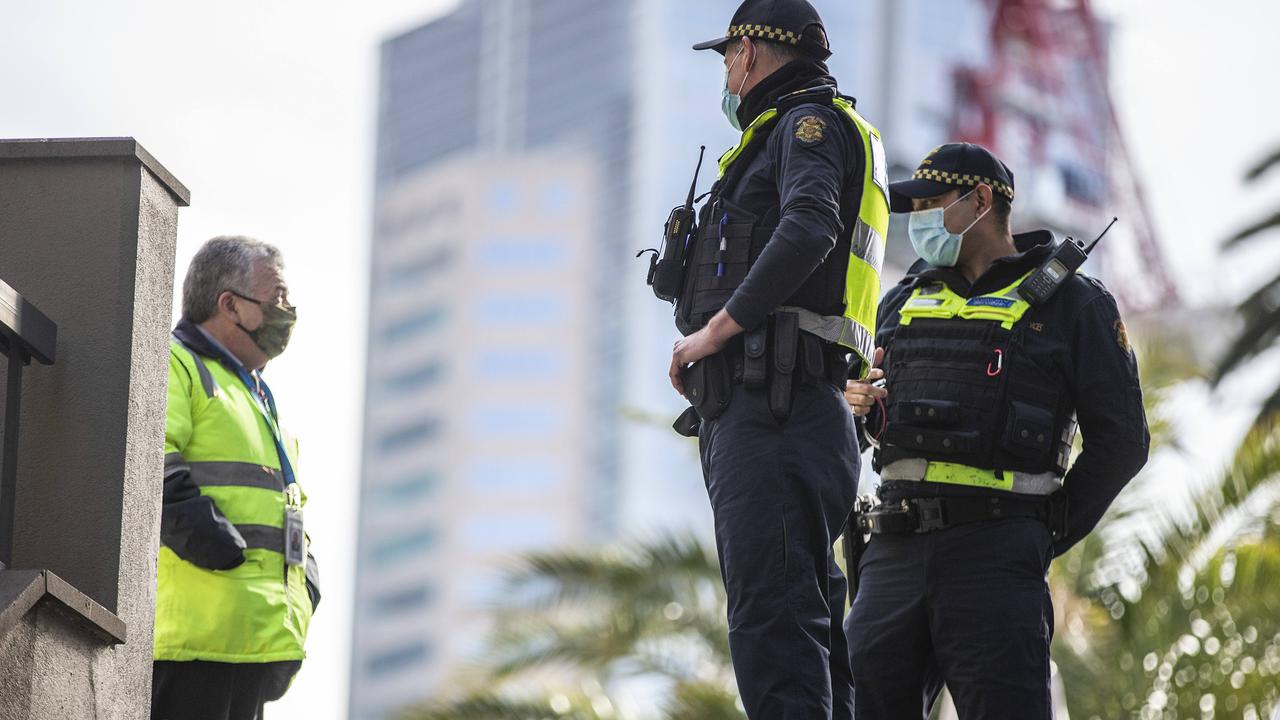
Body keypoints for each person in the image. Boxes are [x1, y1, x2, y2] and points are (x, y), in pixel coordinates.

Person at [842, 143, 1150, 719]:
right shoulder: (900, 302)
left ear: (981, 200)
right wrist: (855, 409)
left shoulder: (1074, 304)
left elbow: (1123, 443)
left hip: (996, 555)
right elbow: (861, 431)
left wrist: (1045, 531)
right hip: (891, 553)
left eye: (933, 202)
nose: (921, 218)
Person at [653, 1, 890, 716]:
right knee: (809, 630)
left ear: (752, 52)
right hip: (797, 414)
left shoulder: (804, 128)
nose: (725, 72)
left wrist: (717, 330)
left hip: (775, 412)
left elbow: (810, 224)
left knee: (773, 627)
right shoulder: (800, 133)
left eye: (727, 55)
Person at [152, 236, 320, 720]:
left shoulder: (257, 396)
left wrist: (307, 583)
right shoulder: (177, 365)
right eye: (277, 299)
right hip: (194, 643)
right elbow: (153, 468)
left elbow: (287, 508)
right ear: (230, 305)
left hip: (253, 644)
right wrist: (219, 549)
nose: (287, 312)